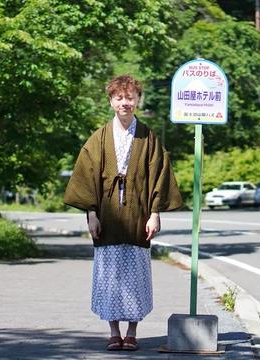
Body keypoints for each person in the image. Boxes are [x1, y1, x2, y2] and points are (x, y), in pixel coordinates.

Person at [64, 74, 183, 351]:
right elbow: (87, 174)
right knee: (109, 274)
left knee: (135, 274)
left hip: (138, 215)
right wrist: (91, 213)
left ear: (138, 100)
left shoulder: (148, 137)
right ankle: (113, 331)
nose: (125, 103)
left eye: (130, 97)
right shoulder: (99, 138)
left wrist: (155, 212)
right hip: (107, 215)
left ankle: (132, 331)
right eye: (119, 98)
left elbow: (158, 174)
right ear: (110, 101)